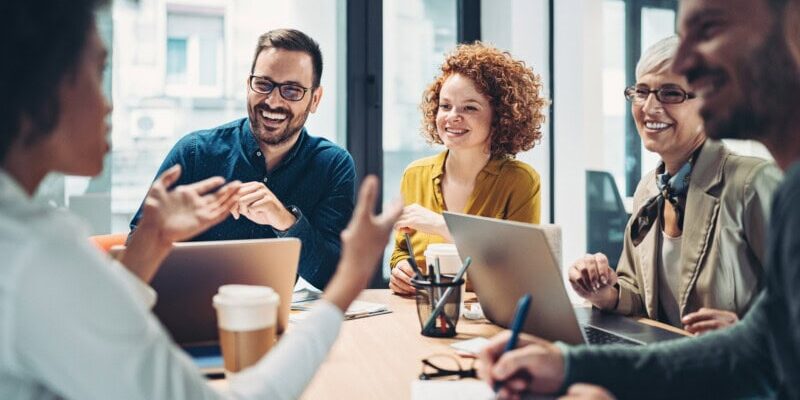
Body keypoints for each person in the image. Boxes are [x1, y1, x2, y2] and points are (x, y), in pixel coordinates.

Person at [0, 1, 402, 398]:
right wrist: (351, 278)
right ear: (43, 85)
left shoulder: (30, 241)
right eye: (98, 71)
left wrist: (155, 244)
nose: (110, 103)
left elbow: (92, 329)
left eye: (292, 90)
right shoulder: (40, 255)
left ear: (314, 98)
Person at [478, 0, 800, 398]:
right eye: (642, 90)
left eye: (710, 29)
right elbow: (756, 352)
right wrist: (567, 364)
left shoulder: (762, 185)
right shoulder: (786, 193)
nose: (685, 60)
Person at [567, 36, 780, 333]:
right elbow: (642, 296)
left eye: (671, 93)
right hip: (671, 368)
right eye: (641, 92)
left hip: (739, 372)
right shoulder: (649, 189)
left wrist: (747, 331)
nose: (649, 107)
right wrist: (605, 293)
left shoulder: (754, 183)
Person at [129, 28, 355, 290]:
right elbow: (133, 249)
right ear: (248, 85)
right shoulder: (193, 152)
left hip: (278, 322)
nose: (272, 101)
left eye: (291, 90)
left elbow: (334, 277)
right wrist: (165, 233)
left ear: (314, 99)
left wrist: (285, 222)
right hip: (190, 317)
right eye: (263, 84)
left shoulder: (333, 165)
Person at [389, 42, 548, 294]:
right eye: (445, 105)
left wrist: (441, 225)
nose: (452, 116)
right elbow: (402, 251)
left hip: (488, 323)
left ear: (500, 117)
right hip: (421, 315)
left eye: (469, 107)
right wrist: (401, 270)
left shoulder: (520, 181)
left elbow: (518, 273)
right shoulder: (414, 174)